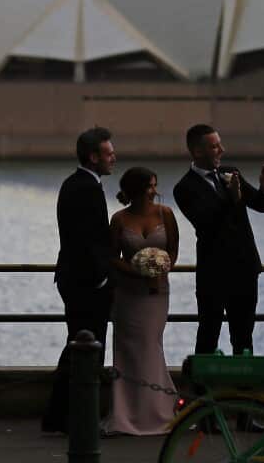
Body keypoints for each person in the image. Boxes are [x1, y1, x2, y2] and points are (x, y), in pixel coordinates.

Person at [173, 124, 264, 354]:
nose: (222, 150)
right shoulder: (184, 188)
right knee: (209, 334)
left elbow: (261, 205)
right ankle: (202, 387)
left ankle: (242, 386)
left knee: (243, 336)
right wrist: (234, 198)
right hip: (214, 273)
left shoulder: (231, 172)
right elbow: (207, 223)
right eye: (215, 146)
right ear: (198, 152)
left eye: (220, 144)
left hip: (245, 268)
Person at [42, 127, 116, 434]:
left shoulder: (76, 183)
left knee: (77, 347)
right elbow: (86, 239)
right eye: (108, 153)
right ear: (93, 156)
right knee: (87, 349)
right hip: (86, 282)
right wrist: (101, 279)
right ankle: (73, 420)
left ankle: (59, 417)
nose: (114, 158)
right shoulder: (86, 187)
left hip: (75, 278)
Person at [103, 167, 179, 436]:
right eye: (149, 186)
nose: (154, 191)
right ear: (135, 190)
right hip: (127, 294)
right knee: (127, 350)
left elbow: (172, 251)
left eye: (155, 185)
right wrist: (135, 270)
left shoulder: (165, 214)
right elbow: (112, 256)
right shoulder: (119, 219)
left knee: (151, 345)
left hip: (157, 293)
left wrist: (158, 270)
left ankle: (157, 412)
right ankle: (126, 415)